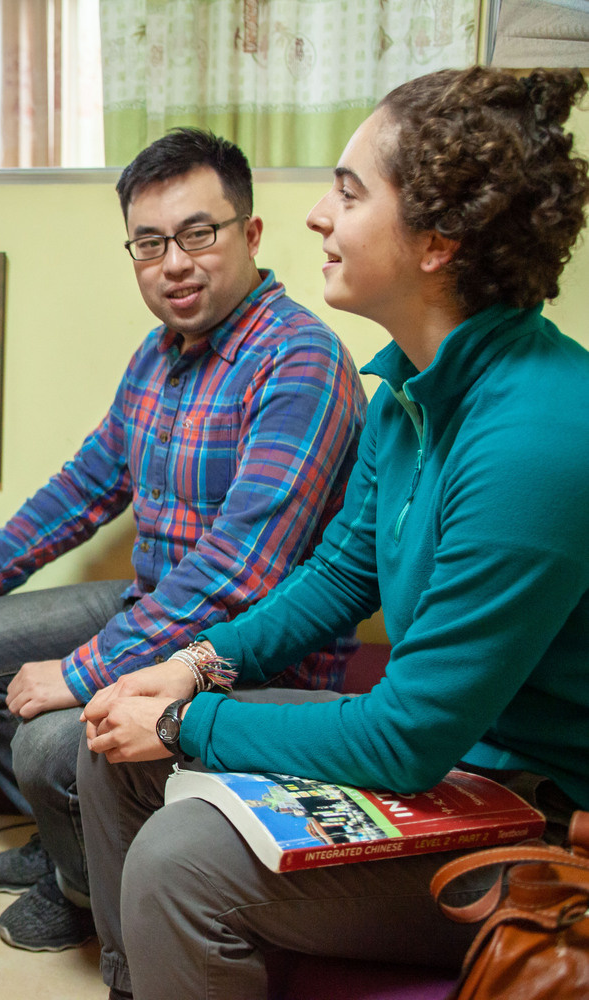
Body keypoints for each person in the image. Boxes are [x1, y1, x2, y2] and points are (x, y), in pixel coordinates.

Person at [78, 67, 589, 999]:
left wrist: (188, 721)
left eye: (349, 194)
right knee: (110, 743)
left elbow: (407, 740)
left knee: (179, 862)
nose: (317, 215)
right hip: (455, 763)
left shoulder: (537, 436)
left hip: (541, 820)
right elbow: (339, 577)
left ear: (437, 240)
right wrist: (194, 665)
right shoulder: (407, 393)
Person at [0, 128, 367, 951]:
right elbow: (88, 483)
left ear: (251, 234)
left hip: (251, 658)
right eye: (151, 243)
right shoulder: (158, 355)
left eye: (199, 233)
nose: (175, 264)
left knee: (50, 738)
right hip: (152, 607)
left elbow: (238, 576)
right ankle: (66, 840)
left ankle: (83, 888)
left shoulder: (300, 362)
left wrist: (81, 671)